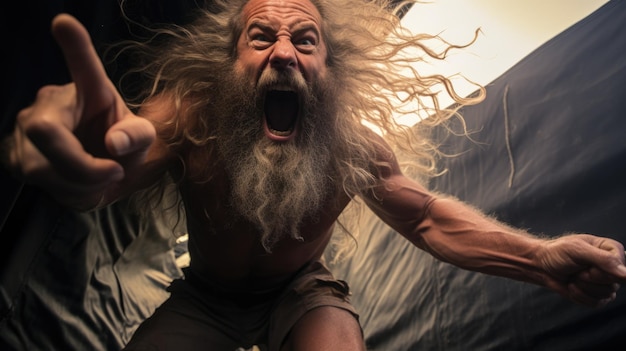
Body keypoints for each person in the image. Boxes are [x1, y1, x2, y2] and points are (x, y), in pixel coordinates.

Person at [3, 0, 626, 350]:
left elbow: (430, 219)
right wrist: (92, 162)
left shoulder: (353, 151)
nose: (282, 52)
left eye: (305, 40)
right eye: (260, 37)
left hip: (304, 291)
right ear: (228, 61)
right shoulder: (193, 116)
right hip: (205, 298)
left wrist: (539, 259)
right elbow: (122, 160)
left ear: (333, 68)